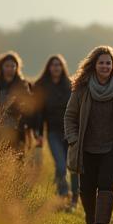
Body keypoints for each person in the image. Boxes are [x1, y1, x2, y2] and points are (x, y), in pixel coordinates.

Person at [64, 45, 113, 224]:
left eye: (108, 63)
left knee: (106, 185)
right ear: (94, 65)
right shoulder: (81, 89)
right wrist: (73, 139)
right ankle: (91, 218)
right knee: (86, 188)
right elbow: (70, 116)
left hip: (111, 147)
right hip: (86, 148)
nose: (105, 66)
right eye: (101, 63)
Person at [33, 54, 80, 212]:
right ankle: (63, 195)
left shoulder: (70, 85)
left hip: (71, 132)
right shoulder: (41, 86)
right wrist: (38, 133)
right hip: (53, 132)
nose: (56, 68)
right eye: (53, 65)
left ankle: (75, 198)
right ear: (48, 67)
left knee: (73, 167)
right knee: (60, 166)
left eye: (58, 65)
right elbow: (38, 112)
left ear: (62, 67)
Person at [0, 51, 32, 155]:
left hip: (18, 130)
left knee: (18, 160)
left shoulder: (22, 84)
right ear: (1, 67)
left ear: (17, 68)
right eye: (7, 66)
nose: (10, 69)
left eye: (12, 66)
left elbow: (29, 107)